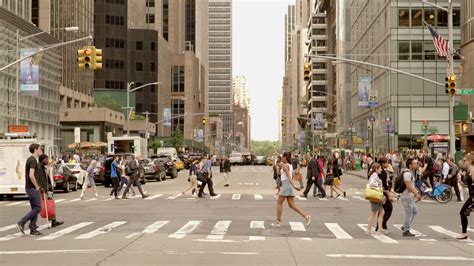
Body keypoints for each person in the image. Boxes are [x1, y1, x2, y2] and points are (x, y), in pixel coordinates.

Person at [272, 152, 311, 227]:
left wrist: (294, 186)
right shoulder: (289, 165)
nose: (281, 158)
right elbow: (281, 174)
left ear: (285, 157)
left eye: (282, 157)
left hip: (286, 185)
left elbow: (289, 177)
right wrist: (278, 167)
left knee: (279, 203)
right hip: (287, 185)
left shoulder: (285, 165)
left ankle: (278, 222)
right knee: (291, 204)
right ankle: (306, 216)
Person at [16, 143, 43, 236]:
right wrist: (36, 186)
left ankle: (33, 228)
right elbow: (31, 174)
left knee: (34, 208)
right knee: (38, 208)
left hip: (29, 187)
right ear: (35, 150)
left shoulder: (30, 159)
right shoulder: (32, 160)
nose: (41, 150)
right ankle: (22, 222)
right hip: (32, 188)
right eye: (40, 149)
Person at [38, 154, 64, 228]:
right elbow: (39, 179)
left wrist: (50, 186)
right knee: (40, 207)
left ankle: (53, 220)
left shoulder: (43, 167)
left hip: (46, 188)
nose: (47, 160)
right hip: (43, 189)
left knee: (50, 204)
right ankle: (31, 223)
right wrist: (41, 188)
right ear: (42, 160)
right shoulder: (39, 168)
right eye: (46, 159)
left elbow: (46, 178)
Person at [400, 158, 422, 237]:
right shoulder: (407, 173)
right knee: (409, 213)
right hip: (406, 196)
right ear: (410, 165)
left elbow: (411, 186)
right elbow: (409, 186)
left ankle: (405, 225)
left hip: (409, 196)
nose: (416, 165)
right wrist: (417, 194)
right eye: (414, 163)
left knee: (414, 211)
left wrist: (416, 193)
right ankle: (406, 230)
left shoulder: (410, 172)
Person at [375, 158, 393, 234]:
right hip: (382, 193)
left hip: (378, 192)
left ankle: (380, 226)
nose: (388, 164)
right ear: (382, 164)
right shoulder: (382, 172)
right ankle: (382, 225)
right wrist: (389, 195)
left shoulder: (380, 171)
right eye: (386, 163)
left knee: (382, 210)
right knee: (388, 208)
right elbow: (385, 186)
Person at [457, 158, 474, 240]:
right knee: (463, 212)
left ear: (470, 161)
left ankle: (464, 233)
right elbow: (466, 184)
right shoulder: (468, 171)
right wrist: (461, 180)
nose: (463, 162)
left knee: (463, 212)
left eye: (465, 160)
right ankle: (464, 233)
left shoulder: (473, 170)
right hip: (472, 195)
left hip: (473, 196)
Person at [367, 163, 385, 235]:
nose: (381, 169)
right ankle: (378, 229)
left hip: (374, 195)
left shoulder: (374, 175)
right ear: (376, 169)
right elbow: (371, 184)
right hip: (375, 196)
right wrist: (378, 185)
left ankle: (371, 229)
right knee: (380, 212)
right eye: (380, 168)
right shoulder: (374, 175)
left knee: (374, 212)